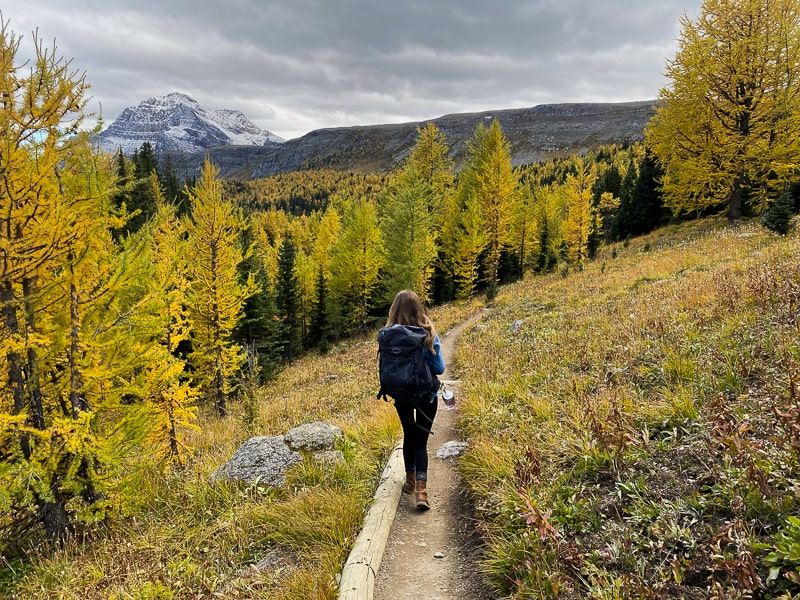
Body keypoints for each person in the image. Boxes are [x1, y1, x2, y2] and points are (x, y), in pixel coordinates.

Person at [384, 289, 445, 510]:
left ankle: (409, 481)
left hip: (401, 395)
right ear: (418, 307)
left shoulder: (388, 334)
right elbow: (440, 368)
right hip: (426, 395)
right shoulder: (427, 333)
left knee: (409, 436)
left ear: (395, 309)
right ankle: (421, 490)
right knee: (421, 441)